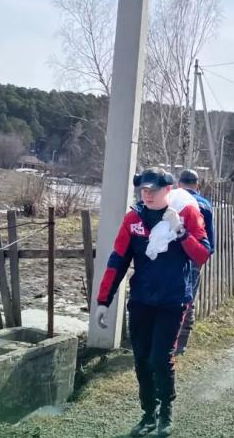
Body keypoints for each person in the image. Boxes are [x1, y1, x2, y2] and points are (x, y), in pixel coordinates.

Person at [95, 167, 211, 437]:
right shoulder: (133, 219)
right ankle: (149, 413)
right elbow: (118, 259)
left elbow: (202, 254)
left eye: (153, 190)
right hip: (142, 299)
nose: (147, 195)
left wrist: (180, 231)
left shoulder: (187, 214)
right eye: (143, 190)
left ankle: (166, 411)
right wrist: (104, 300)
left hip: (172, 299)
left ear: (168, 190)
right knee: (142, 360)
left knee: (161, 358)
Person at [175, 169, 215, 355]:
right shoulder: (205, 205)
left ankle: (165, 337)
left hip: (172, 256)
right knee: (188, 297)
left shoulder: (171, 201)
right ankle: (181, 342)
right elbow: (210, 239)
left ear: (179, 184)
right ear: (197, 185)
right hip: (194, 256)